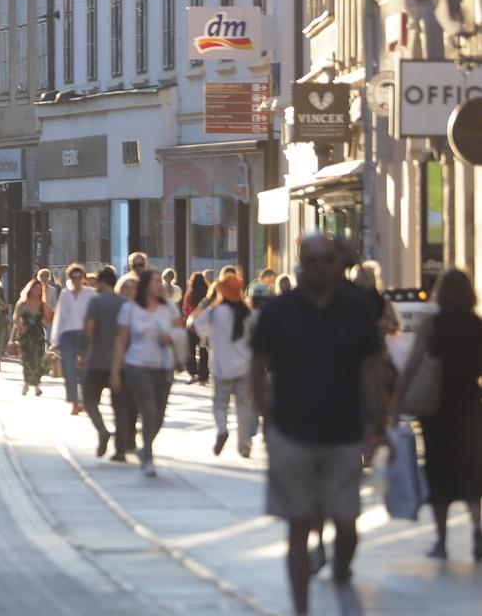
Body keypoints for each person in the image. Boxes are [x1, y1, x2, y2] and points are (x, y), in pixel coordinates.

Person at [250, 234, 387, 613]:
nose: (321, 266)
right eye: (313, 260)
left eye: (328, 259)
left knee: (346, 519)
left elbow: (370, 368)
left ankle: (342, 567)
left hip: (345, 430)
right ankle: (301, 607)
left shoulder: (356, 308)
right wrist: (267, 418)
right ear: (301, 264)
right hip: (292, 431)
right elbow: (257, 364)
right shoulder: (280, 310)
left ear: (336, 263)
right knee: (298, 523)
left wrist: (379, 423)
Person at [393, 268, 481, 561]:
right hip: (469, 405)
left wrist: (396, 403)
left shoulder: (433, 325)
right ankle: (477, 528)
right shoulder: (477, 325)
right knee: (471, 471)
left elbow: (413, 364)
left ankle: (442, 542)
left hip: (437, 408)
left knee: (440, 473)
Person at [111, 268, 179, 477]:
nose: (160, 284)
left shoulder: (168, 308)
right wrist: (115, 370)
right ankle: (148, 455)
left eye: (160, 281)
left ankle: (145, 445)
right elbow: (121, 340)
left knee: (158, 415)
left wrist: (171, 337)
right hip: (137, 364)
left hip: (163, 366)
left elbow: (180, 330)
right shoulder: (131, 309)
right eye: (156, 281)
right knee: (148, 408)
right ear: (145, 284)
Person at [187, 271, 255, 457]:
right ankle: (244, 445)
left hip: (221, 367)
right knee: (243, 406)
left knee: (220, 404)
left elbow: (195, 324)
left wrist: (209, 305)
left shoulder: (216, 312)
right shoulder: (248, 313)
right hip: (244, 367)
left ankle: (222, 429)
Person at [79, 267, 133, 461]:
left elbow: (89, 328)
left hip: (97, 360)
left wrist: (83, 350)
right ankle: (121, 449)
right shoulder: (125, 304)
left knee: (89, 399)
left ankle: (102, 430)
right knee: (120, 405)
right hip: (121, 363)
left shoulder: (95, 301)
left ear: (100, 283)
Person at [50, 264, 90, 414]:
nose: (77, 279)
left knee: (85, 369)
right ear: (69, 278)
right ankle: (74, 401)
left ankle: (84, 398)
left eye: (80, 276)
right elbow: (60, 317)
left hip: (85, 335)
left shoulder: (90, 294)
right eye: (74, 276)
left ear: (83, 277)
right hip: (67, 335)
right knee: (69, 368)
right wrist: (55, 340)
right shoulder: (65, 294)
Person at [12, 278, 52, 397]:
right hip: (25, 335)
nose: (37, 291)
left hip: (38, 335)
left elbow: (47, 320)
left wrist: (50, 314)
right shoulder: (22, 303)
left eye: (40, 289)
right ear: (30, 289)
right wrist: (20, 326)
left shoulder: (42, 304)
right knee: (26, 360)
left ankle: (36, 385)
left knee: (38, 360)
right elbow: (15, 318)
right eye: (35, 288)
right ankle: (26, 383)